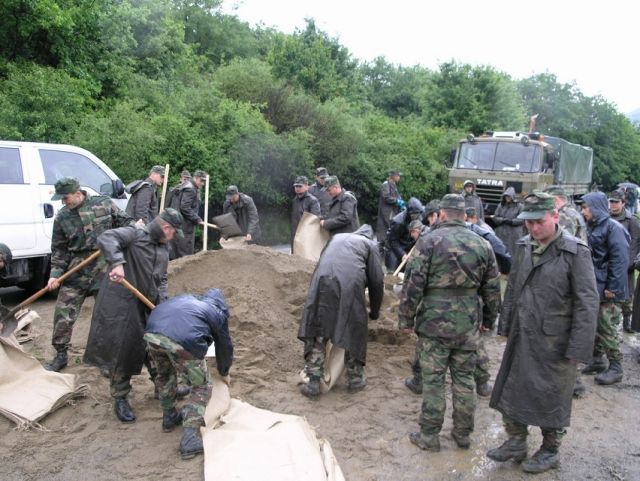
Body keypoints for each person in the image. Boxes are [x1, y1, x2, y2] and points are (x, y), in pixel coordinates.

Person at [487, 192, 599, 474]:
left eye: (539, 222)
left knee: (552, 396)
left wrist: (579, 348)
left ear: (555, 216)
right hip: (523, 334)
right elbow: (514, 286)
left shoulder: (575, 251)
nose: (534, 228)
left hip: (555, 340)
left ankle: (550, 450)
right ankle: (516, 441)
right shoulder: (524, 245)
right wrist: (505, 324)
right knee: (512, 387)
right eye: (529, 222)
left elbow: (587, 302)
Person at [399, 194, 501, 452]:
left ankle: (429, 435)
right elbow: (492, 289)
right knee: (464, 380)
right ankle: (463, 434)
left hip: (434, 323)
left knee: (433, 381)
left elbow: (413, 284)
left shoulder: (428, 241)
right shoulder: (482, 244)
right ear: (464, 215)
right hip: (468, 323)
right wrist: (489, 320)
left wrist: (406, 319)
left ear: (442, 214)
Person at [83, 209, 184, 423]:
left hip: (147, 305)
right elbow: (107, 238)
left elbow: (162, 279)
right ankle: (120, 397)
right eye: (174, 232)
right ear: (166, 228)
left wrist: (162, 303)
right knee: (123, 351)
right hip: (122, 306)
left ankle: (162, 388)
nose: (174, 237)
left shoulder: (163, 248)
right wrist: (117, 263)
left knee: (155, 347)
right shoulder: (135, 234)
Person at [44, 177, 134, 372]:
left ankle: (106, 359)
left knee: (107, 315)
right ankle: (61, 354)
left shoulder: (104, 203)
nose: (63, 202)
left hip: (105, 267)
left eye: (66, 197)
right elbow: (59, 249)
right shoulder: (62, 217)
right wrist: (55, 274)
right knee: (63, 312)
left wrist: (132, 230)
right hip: (76, 270)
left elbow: (127, 222)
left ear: (78, 193)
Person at [145, 288, 233, 460]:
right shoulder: (218, 313)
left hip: (153, 335)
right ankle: (189, 438)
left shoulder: (188, 299)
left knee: (165, 375)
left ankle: (169, 416)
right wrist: (224, 371)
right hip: (184, 340)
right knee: (202, 386)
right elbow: (225, 347)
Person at [298, 225, 384, 398]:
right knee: (353, 328)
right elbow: (377, 281)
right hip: (349, 285)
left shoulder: (336, 238)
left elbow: (323, 262)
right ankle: (355, 379)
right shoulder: (370, 245)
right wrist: (374, 312)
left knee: (319, 329)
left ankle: (313, 382)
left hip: (321, 282)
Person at [578, 191, 630, 385]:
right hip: (596, 284)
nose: (583, 212)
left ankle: (616, 367)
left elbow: (620, 260)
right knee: (596, 325)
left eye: (586, 208)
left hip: (609, 289)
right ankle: (597, 360)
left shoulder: (613, 228)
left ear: (596, 208)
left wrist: (612, 287)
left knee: (608, 326)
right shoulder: (593, 227)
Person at [608, 189, 640, 332]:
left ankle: (627, 322)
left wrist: (629, 262)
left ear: (623, 203)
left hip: (627, 266)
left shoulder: (631, 220)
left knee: (627, 297)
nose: (613, 205)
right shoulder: (606, 218)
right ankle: (610, 323)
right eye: (611, 202)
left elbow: (636, 242)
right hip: (610, 263)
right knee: (610, 295)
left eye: (616, 202)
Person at [166, 170, 206, 259]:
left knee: (177, 252)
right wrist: (197, 219)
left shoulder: (187, 186)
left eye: (204, 181)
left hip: (180, 224)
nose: (203, 183)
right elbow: (185, 207)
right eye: (201, 180)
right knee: (184, 254)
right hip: (185, 226)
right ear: (195, 178)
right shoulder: (190, 189)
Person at [385, 197, 425, 271]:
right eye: (415, 215)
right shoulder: (398, 222)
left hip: (410, 246)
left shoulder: (421, 215)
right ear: (409, 213)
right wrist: (402, 254)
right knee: (392, 272)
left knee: (412, 270)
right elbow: (393, 241)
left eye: (418, 214)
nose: (417, 217)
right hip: (395, 247)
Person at [290, 176, 321, 252]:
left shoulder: (313, 201)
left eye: (300, 186)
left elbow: (316, 219)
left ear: (307, 187)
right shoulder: (294, 200)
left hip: (307, 235)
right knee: (294, 255)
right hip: (295, 234)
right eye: (296, 186)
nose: (297, 188)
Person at [492, 187, 524, 257]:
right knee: (500, 251)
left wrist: (511, 221)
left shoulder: (519, 206)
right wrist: (502, 220)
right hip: (501, 233)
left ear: (512, 197)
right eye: (506, 196)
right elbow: (495, 217)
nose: (507, 198)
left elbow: (522, 220)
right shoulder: (501, 205)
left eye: (509, 196)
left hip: (514, 234)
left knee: (512, 253)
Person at [376, 169, 403, 250]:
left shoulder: (393, 184)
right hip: (386, 212)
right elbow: (386, 197)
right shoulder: (386, 184)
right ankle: (382, 249)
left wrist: (401, 203)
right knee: (385, 229)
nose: (399, 177)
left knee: (390, 229)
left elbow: (397, 196)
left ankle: (387, 248)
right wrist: (397, 201)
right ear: (393, 176)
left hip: (392, 211)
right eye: (398, 175)